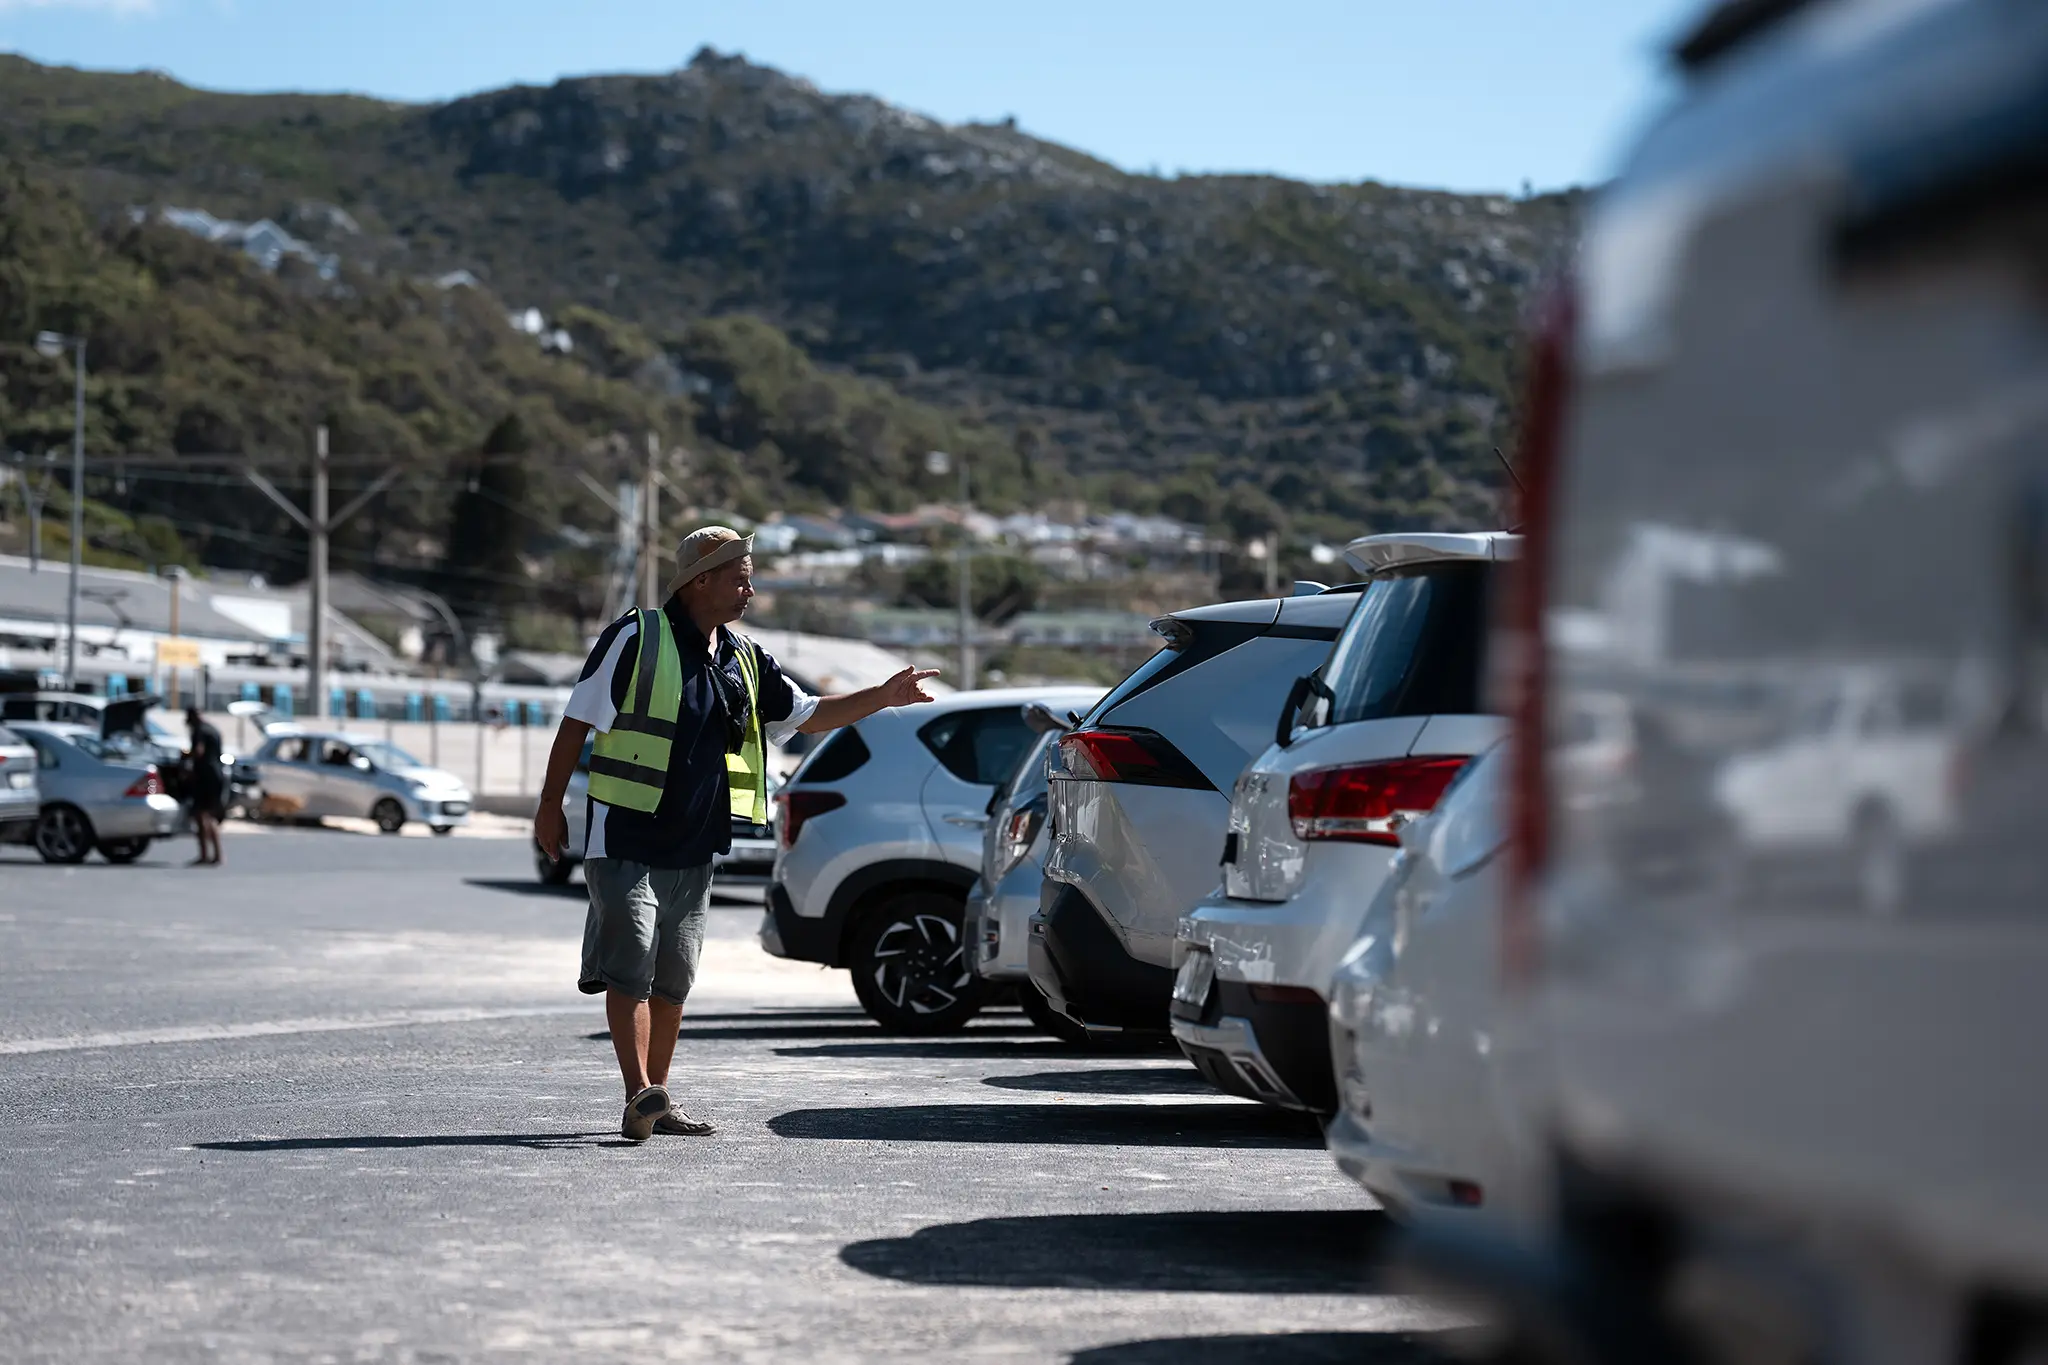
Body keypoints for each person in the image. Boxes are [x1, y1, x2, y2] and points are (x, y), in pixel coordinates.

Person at [533, 526, 940, 1142]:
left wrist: (881, 697)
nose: (750, 589)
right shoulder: (634, 638)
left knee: (673, 980)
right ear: (701, 580)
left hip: (695, 845)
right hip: (625, 835)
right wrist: (548, 807)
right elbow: (576, 722)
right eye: (740, 577)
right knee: (630, 967)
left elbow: (806, 716)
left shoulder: (744, 659)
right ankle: (638, 1094)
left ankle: (656, 1105)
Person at [185, 707, 226, 867]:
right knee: (209, 815)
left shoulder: (199, 731)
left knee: (201, 815)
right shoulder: (213, 729)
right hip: (217, 775)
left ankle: (204, 854)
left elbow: (198, 751)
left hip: (205, 776)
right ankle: (217, 854)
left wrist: (186, 757)